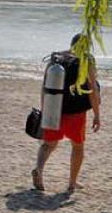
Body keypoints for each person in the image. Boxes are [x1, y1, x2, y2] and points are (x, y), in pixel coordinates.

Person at [32, 33, 102, 193]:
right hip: (75, 112)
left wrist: (44, 109)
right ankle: (72, 182)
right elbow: (92, 91)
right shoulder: (85, 61)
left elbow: (44, 87)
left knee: (48, 144)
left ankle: (39, 169)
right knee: (77, 146)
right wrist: (97, 115)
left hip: (53, 107)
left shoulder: (55, 59)